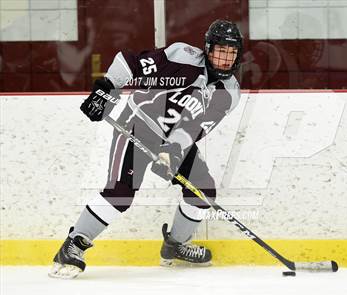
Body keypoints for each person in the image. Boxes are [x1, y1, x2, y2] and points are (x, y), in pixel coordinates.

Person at [49, 20, 243, 279]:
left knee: (202, 190)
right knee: (120, 193)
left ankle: (175, 245)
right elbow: (129, 62)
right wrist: (107, 89)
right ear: (207, 48)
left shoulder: (229, 93)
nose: (225, 58)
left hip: (173, 142)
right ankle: (74, 244)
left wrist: (173, 149)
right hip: (137, 127)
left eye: (231, 52)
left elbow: (196, 126)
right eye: (220, 50)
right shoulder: (181, 58)